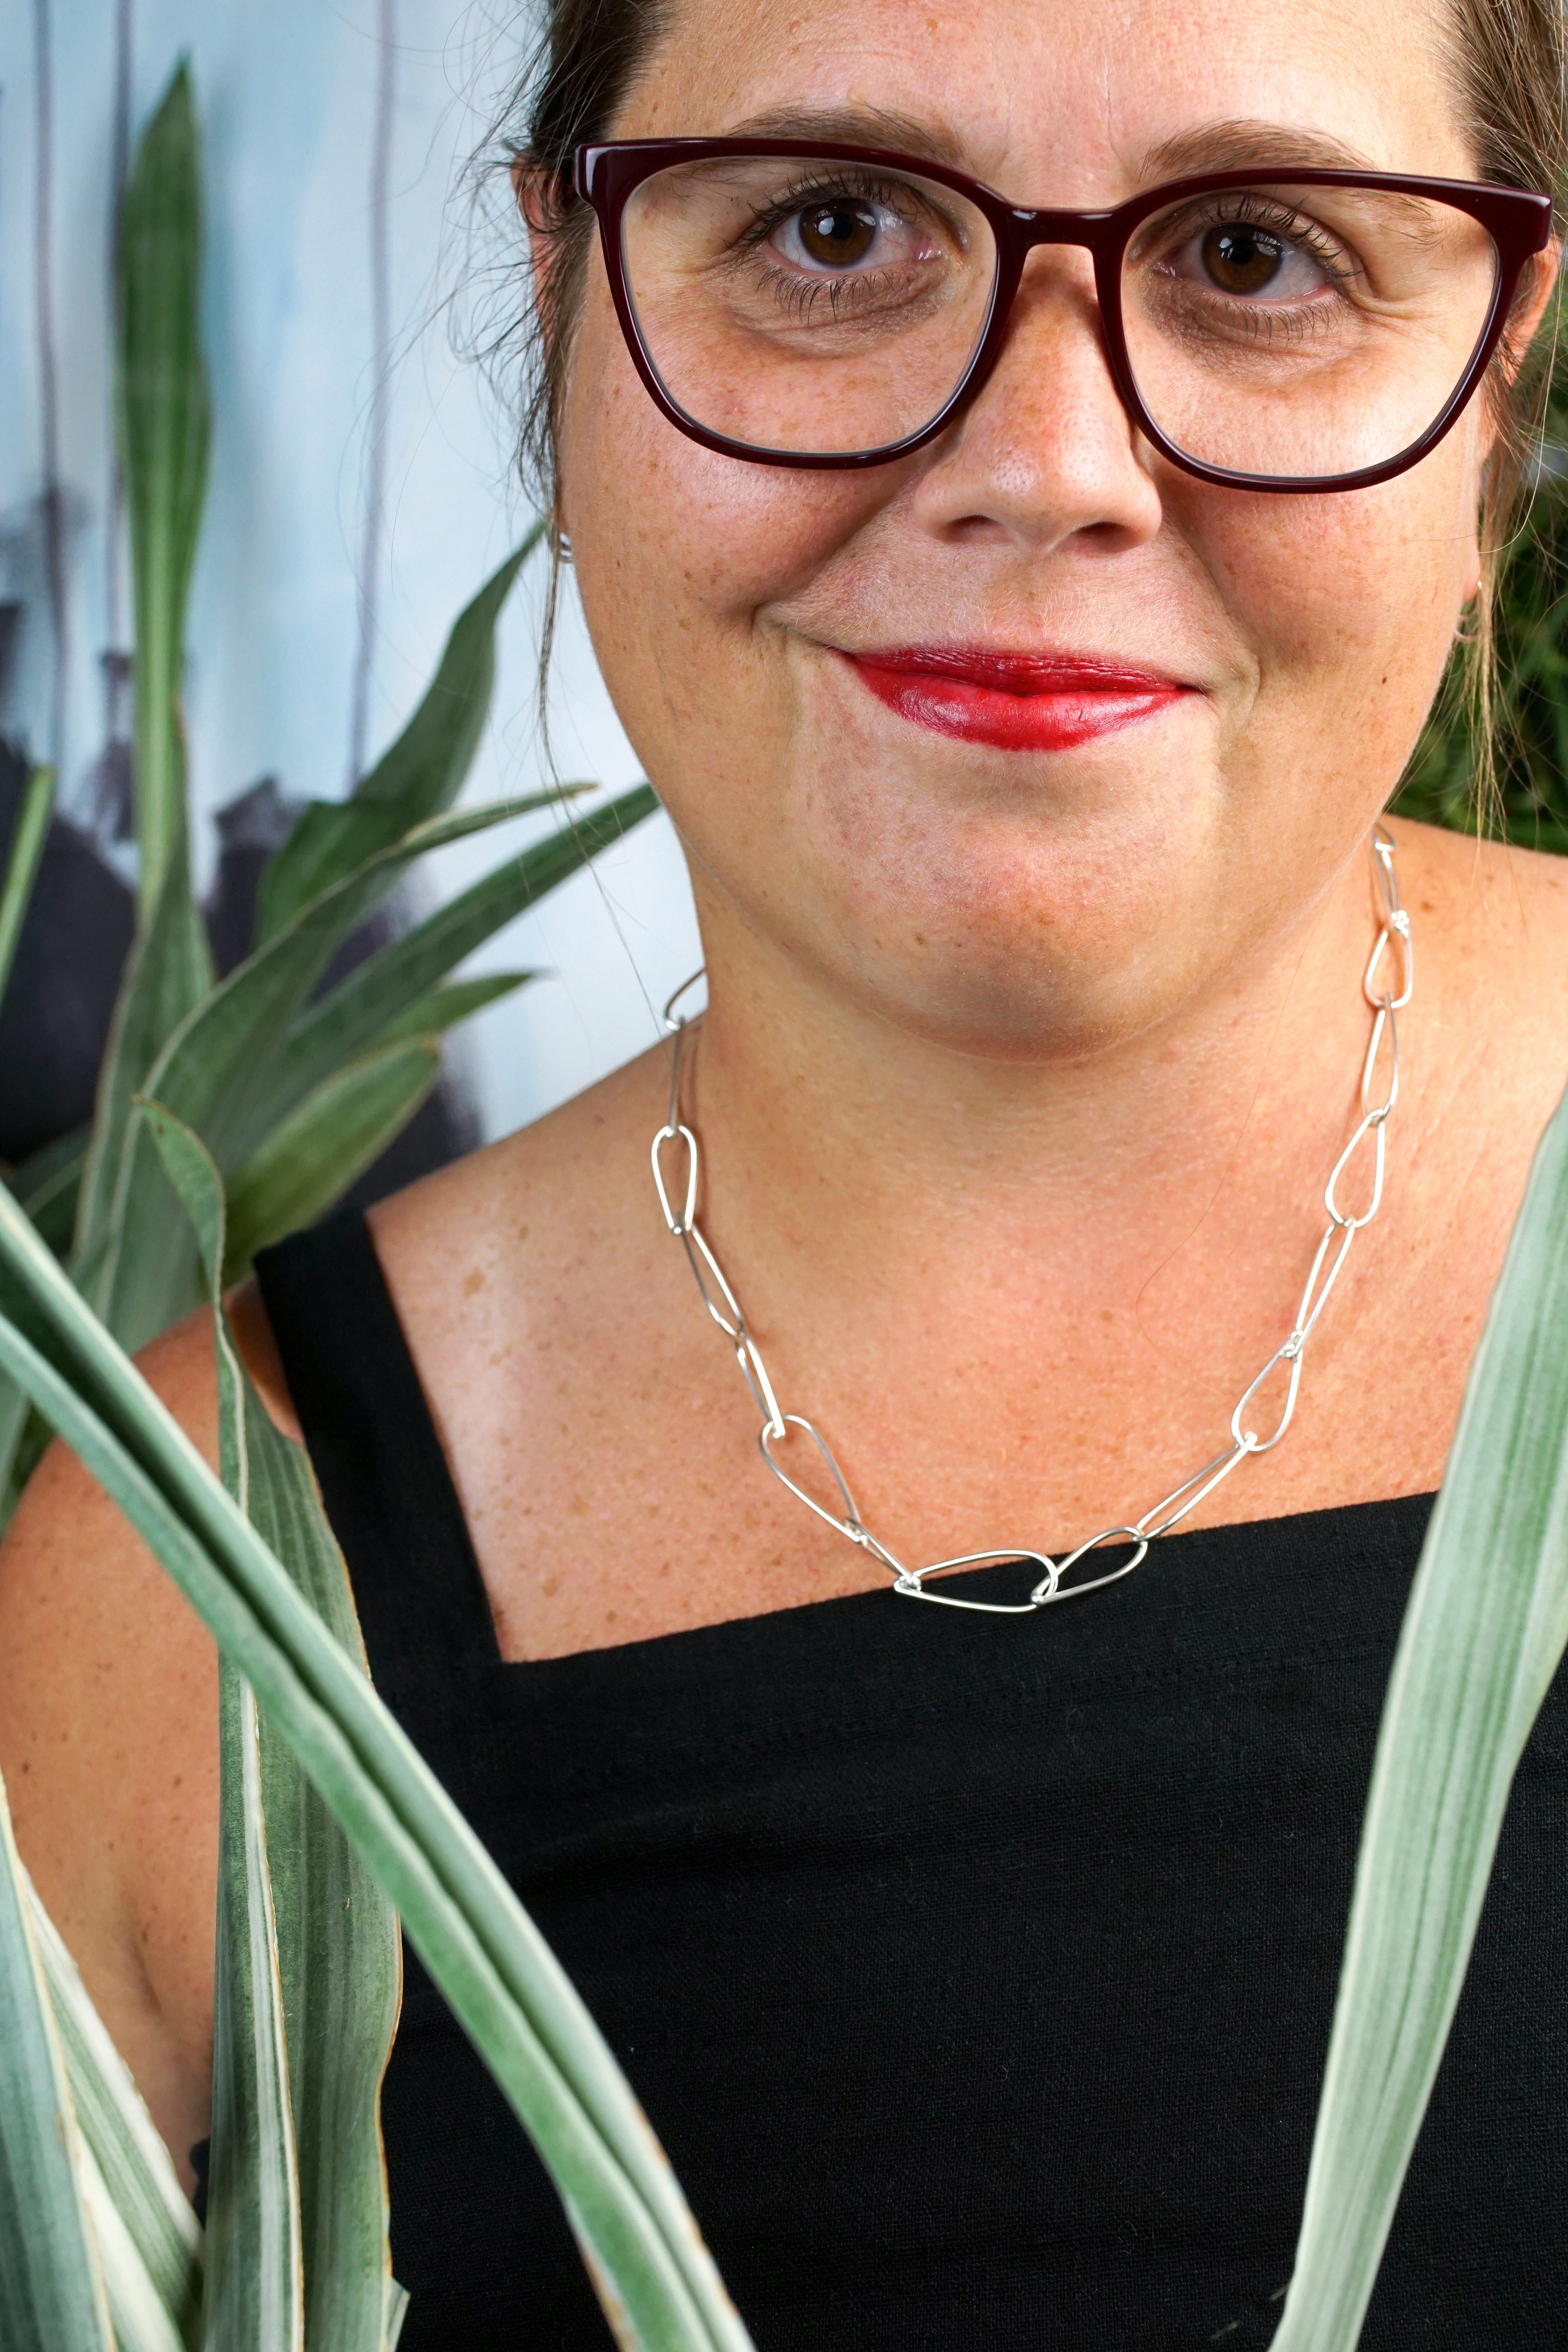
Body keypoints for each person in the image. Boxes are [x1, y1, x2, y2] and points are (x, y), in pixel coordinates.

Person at [4, 0, 1568, 2341]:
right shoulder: (184, 1602)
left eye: (1255, 253)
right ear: (564, 310)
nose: (1048, 463)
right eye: (834, 230)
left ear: (1502, 382)